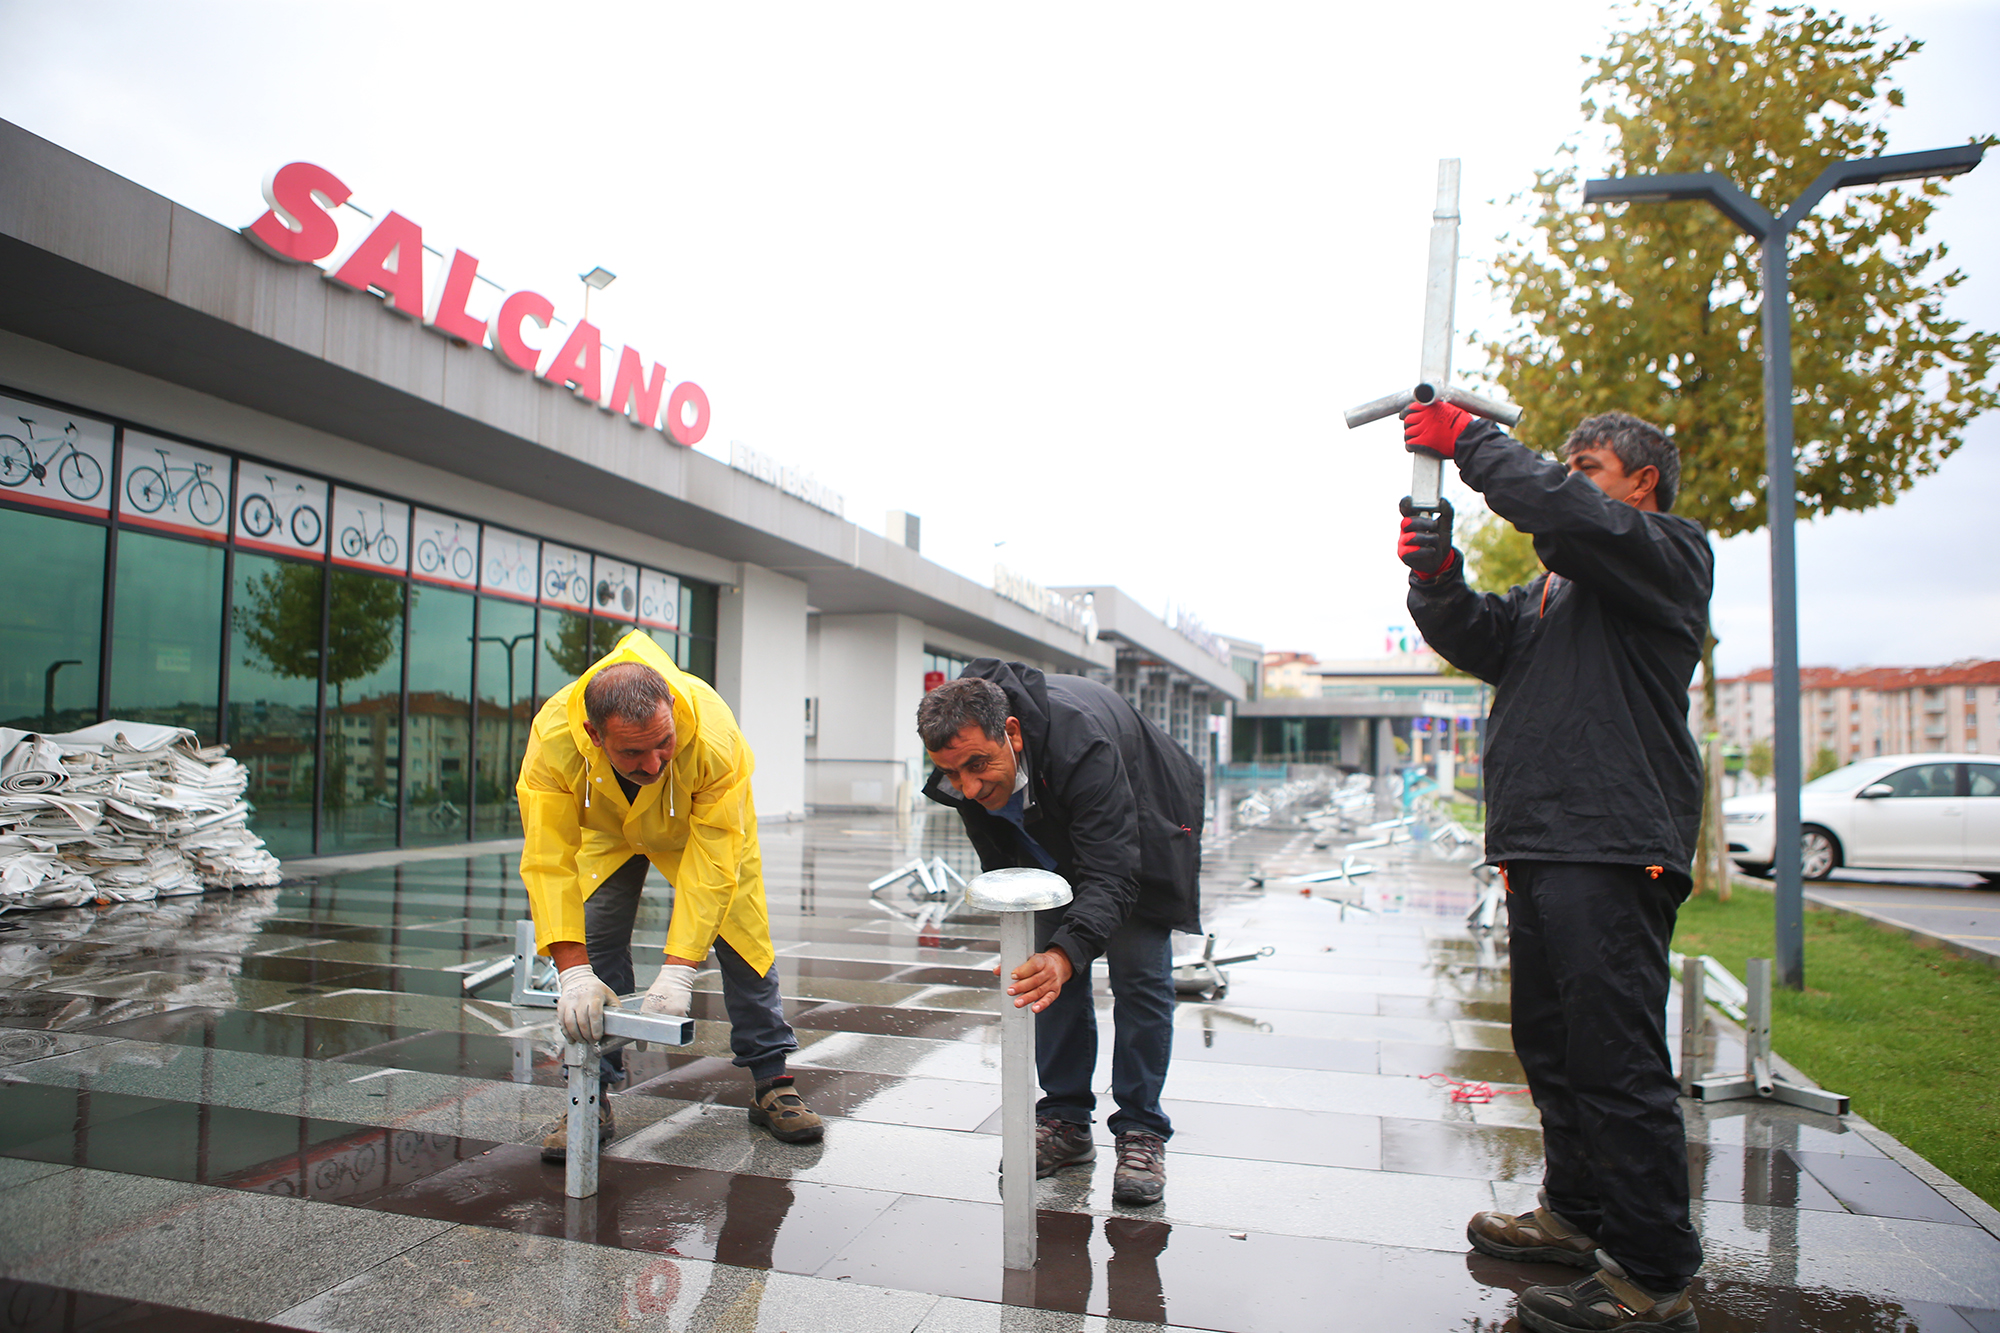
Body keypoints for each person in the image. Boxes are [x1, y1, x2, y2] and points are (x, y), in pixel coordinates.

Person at [1396, 402, 1711, 1333]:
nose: (1571, 479)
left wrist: (1473, 445)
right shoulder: (1548, 599)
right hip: (1539, 847)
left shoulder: (1667, 554)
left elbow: (1567, 514)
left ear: (1640, 484)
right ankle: (1576, 1217)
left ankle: (1652, 1277)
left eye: (1589, 465)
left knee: (1616, 1062)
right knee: (1555, 1051)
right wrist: (1436, 570)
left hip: (1613, 845)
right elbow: (1473, 634)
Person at [517, 629, 822, 1159]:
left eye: (664, 744)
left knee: (741, 935)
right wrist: (571, 972)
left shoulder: (713, 736)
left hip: (700, 830)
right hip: (606, 832)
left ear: (672, 711)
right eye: (633, 752)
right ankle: (591, 1095)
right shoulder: (553, 738)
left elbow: (712, 865)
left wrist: (679, 970)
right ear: (592, 733)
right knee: (596, 940)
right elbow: (548, 859)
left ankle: (772, 1080)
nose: (655, 765)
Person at [917, 661, 1203, 1206]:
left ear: (1013, 733)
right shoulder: (964, 761)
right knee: (1048, 976)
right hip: (1055, 825)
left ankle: (1142, 1128)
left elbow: (1114, 872)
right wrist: (1042, 943)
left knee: (1139, 974)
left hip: (1143, 819)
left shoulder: (1082, 747)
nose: (969, 788)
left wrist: (1068, 951)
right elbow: (1002, 859)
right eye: (954, 775)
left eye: (979, 766)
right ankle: (1066, 1121)